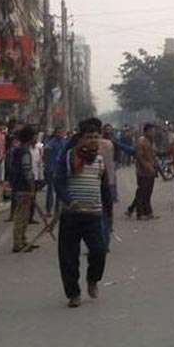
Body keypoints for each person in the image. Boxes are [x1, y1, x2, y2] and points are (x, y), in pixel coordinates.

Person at [54, 123, 110, 308]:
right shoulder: (68, 158)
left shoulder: (100, 161)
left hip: (93, 215)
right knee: (69, 257)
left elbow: (104, 190)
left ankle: (92, 279)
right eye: (89, 136)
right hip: (71, 215)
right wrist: (69, 200)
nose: (93, 140)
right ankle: (73, 294)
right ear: (80, 138)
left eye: (96, 136)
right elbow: (59, 182)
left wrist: (108, 216)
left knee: (99, 251)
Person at [9, 126, 37, 252]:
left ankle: (23, 239)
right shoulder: (25, 152)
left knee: (24, 216)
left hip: (17, 185)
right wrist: (32, 186)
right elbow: (27, 170)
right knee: (21, 216)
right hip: (23, 187)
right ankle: (18, 243)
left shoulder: (17, 150)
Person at [128, 123, 157, 220]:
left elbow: (153, 156)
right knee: (142, 192)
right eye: (151, 131)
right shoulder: (141, 141)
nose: (153, 133)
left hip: (151, 170)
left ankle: (146, 211)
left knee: (147, 192)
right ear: (146, 131)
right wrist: (148, 166)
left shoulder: (151, 142)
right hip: (143, 171)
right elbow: (139, 157)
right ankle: (140, 214)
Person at [43, 127, 66, 216]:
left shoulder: (64, 143)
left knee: (59, 191)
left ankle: (58, 210)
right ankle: (49, 210)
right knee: (50, 190)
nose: (60, 134)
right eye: (58, 132)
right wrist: (47, 167)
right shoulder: (50, 143)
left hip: (61, 169)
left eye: (61, 132)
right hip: (52, 169)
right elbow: (46, 156)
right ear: (55, 133)